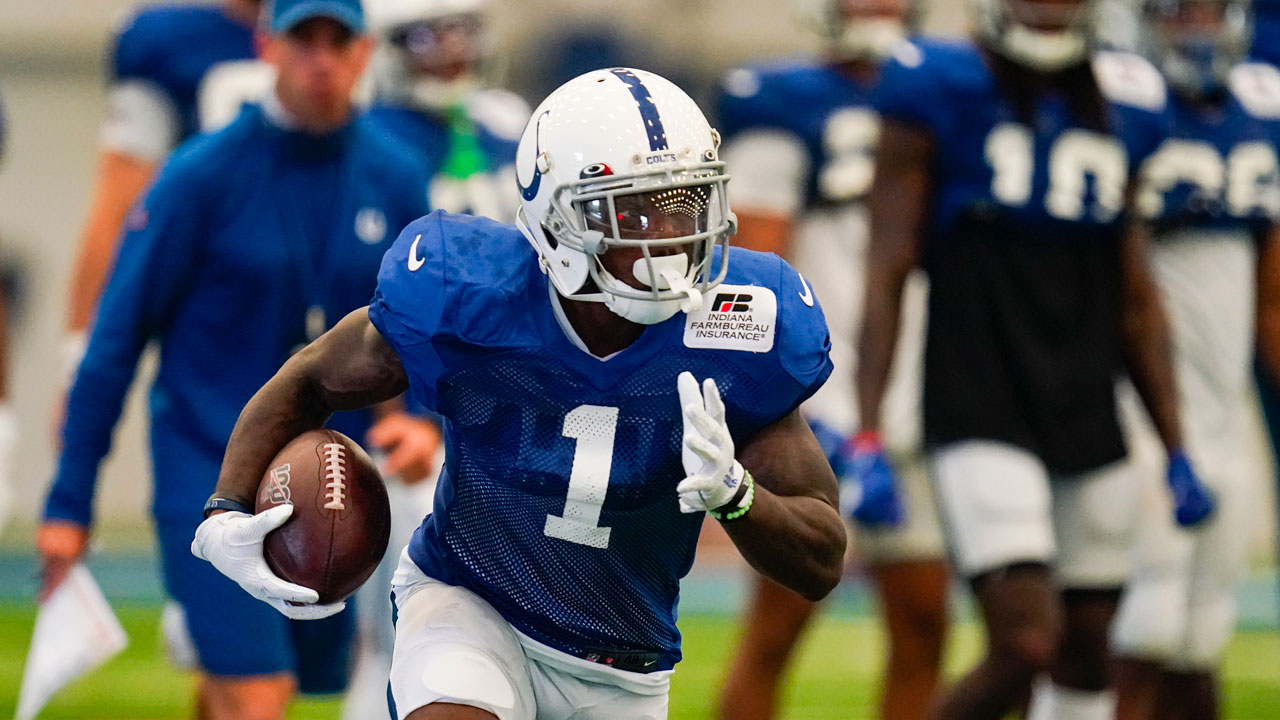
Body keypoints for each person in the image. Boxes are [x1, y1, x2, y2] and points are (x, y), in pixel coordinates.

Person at [191, 67, 848, 720]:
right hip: (471, 605)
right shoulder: (472, 293)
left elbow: (821, 557)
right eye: (633, 211)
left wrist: (739, 499)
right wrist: (225, 508)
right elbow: (312, 377)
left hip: (626, 662)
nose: (668, 239)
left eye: (684, 205)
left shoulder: (741, 328)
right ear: (557, 219)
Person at [37, 2, 434, 718]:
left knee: (295, 681)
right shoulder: (199, 175)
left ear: (364, 53)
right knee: (260, 695)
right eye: (301, 38)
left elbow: (420, 327)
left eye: (337, 40)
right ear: (266, 47)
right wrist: (70, 503)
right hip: (205, 459)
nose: (320, 58)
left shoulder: (396, 176)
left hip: (325, 472)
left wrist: (418, 422)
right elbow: (116, 340)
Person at [855, 1, 1218, 719]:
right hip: (979, 396)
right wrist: (868, 426)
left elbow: (1136, 297)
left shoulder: (1127, 97)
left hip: (1086, 402)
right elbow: (887, 266)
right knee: (1024, 643)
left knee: (1089, 653)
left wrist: (1176, 442)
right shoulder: (934, 83)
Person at [712, 2, 948, 720]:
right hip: (820, 413)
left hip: (910, 399)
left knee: (924, 621)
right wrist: (795, 404)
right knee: (778, 628)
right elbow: (755, 277)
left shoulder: (943, 93)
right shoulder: (785, 102)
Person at [1110, 2, 1280, 719]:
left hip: (1223, 413)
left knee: (1203, 629)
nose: (1199, 29)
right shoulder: (1118, 102)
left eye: (1209, 12)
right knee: (1140, 621)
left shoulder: (1261, 106)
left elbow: (1270, 299)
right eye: (1180, 13)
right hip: (1138, 410)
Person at [61, 0, 268, 367]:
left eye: (336, 42)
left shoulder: (381, 26)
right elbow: (118, 208)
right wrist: (79, 358)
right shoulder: (170, 42)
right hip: (215, 320)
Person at [365, 0, 529, 220]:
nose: (452, 51)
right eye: (423, 38)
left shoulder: (505, 118)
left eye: (463, 30)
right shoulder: (373, 134)